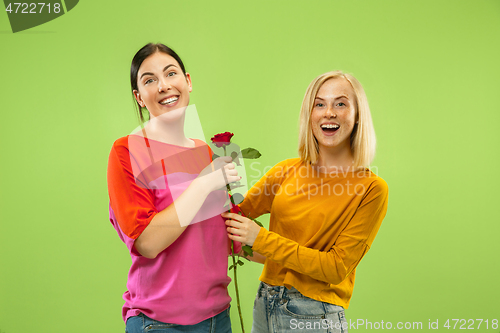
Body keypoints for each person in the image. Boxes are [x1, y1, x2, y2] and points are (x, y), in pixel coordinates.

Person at [222, 71, 389, 333]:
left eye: (341, 103)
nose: (328, 112)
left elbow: (336, 268)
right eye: (319, 104)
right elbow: (230, 219)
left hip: (315, 315)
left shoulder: (371, 189)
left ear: (358, 116)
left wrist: (260, 238)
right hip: (265, 303)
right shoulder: (285, 171)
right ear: (309, 116)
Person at [107, 43, 239, 333]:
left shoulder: (207, 152)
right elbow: (148, 243)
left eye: (171, 73)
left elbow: (232, 239)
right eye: (150, 80)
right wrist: (204, 184)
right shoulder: (126, 151)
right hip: (158, 324)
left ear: (188, 81)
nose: (164, 86)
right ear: (139, 97)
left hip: (219, 319)